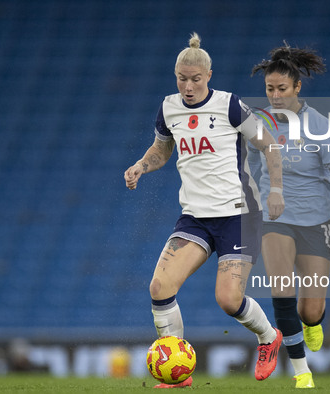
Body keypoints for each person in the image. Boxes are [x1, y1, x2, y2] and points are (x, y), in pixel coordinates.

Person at [124, 33, 285, 388]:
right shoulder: (169, 108)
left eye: (195, 79)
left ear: (209, 76)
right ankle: (179, 374)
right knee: (159, 286)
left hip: (238, 215)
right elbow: (161, 151)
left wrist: (276, 188)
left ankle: (267, 337)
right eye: (182, 78)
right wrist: (141, 166)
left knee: (228, 300)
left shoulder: (229, 105)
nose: (188, 86)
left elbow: (269, 145)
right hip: (195, 217)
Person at [249, 45, 330, 389]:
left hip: (317, 221)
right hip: (275, 217)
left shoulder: (318, 126)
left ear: (297, 87)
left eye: (282, 89)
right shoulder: (257, 122)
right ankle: (302, 372)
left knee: (310, 310)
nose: (275, 95)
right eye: (269, 89)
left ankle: (312, 322)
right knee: (282, 287)